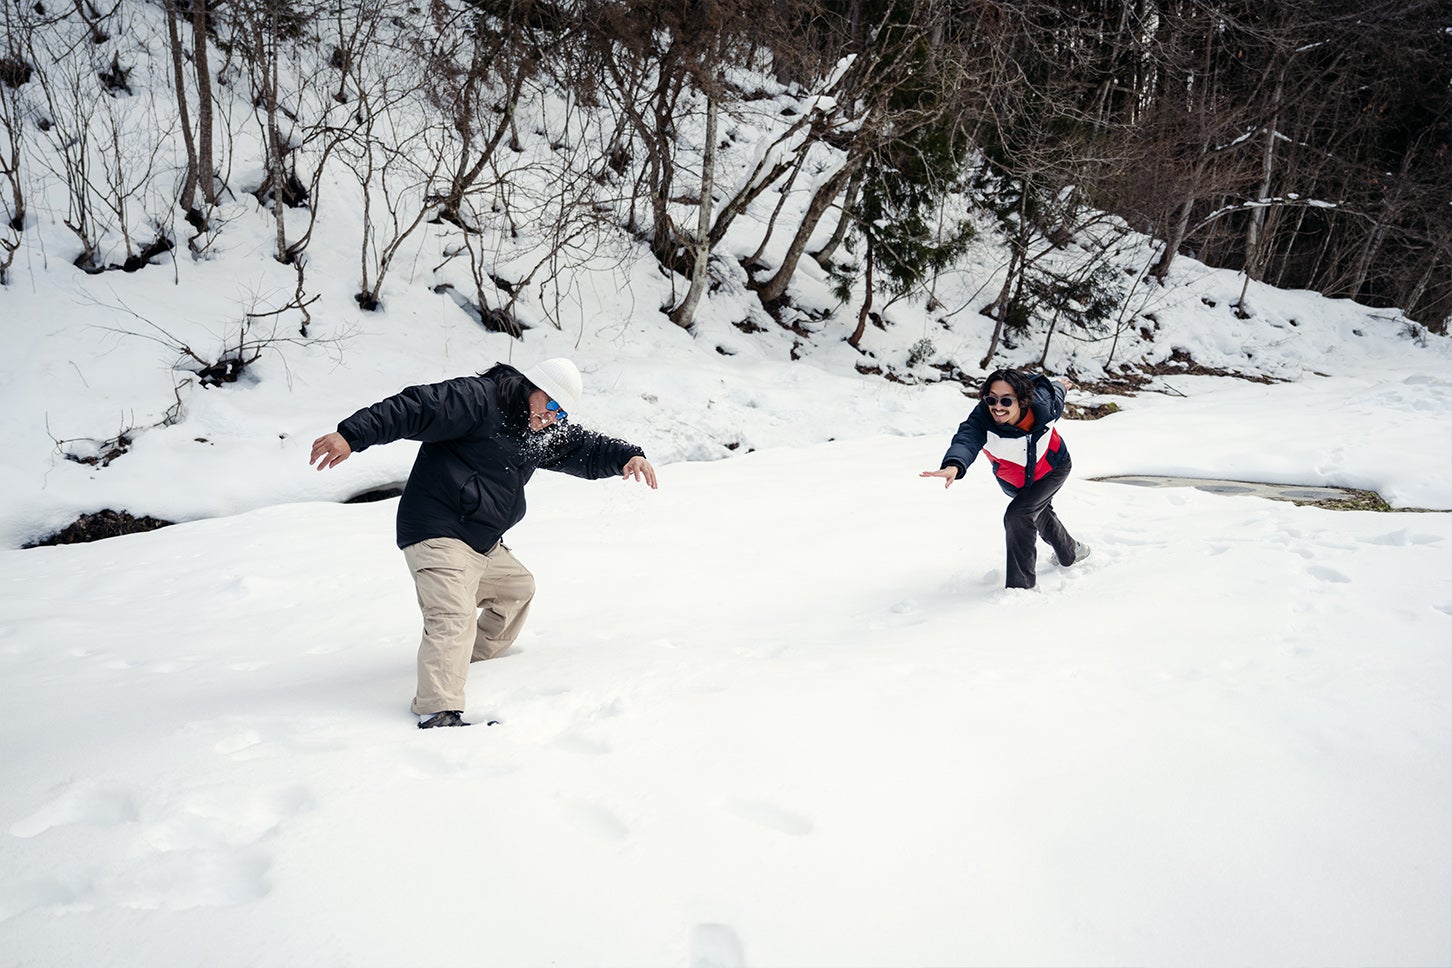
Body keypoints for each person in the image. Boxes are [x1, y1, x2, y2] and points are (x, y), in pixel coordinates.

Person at [309, 358, 657, 728]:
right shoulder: (478, 400)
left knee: (517, 590)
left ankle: (464, 660)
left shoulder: (539, 429)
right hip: (438, 529)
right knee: (453, 617)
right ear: (531, 386)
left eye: (561, 413)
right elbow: (415, 407)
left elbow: (586, 448)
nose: (552, 418)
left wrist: (627, 456)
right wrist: (351, 435)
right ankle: (438, 711)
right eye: (550, 405)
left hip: (481, 541)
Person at [920, 368, 1088, 590]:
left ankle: (1021, 588)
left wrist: (1060, 385)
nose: (997, 407)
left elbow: (1055, 391)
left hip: (1053, 467)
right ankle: (1071, 552)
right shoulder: (982, 419)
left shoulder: (1044, 405)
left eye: (1006, 401)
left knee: (1018, 515)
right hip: (1014, 480)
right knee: (1037, 513)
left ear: (1022, 399)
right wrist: (954, 465)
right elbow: (966, 440)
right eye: (992, 399)